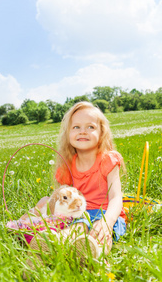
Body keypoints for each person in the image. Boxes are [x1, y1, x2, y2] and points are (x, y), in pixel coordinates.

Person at [54, 101, 126, 259]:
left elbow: (116, 197)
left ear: (102, 133)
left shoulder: (108, 160)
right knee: (78, 226)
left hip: (107, 214)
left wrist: (108, 221)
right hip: (79, 215)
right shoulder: (67, 165)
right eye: (76, 127)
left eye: (90, 127)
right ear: (68, 134)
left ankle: (93, 255)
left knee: (99, 234)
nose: (83, 131)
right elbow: (63, 199)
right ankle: (51, 246)